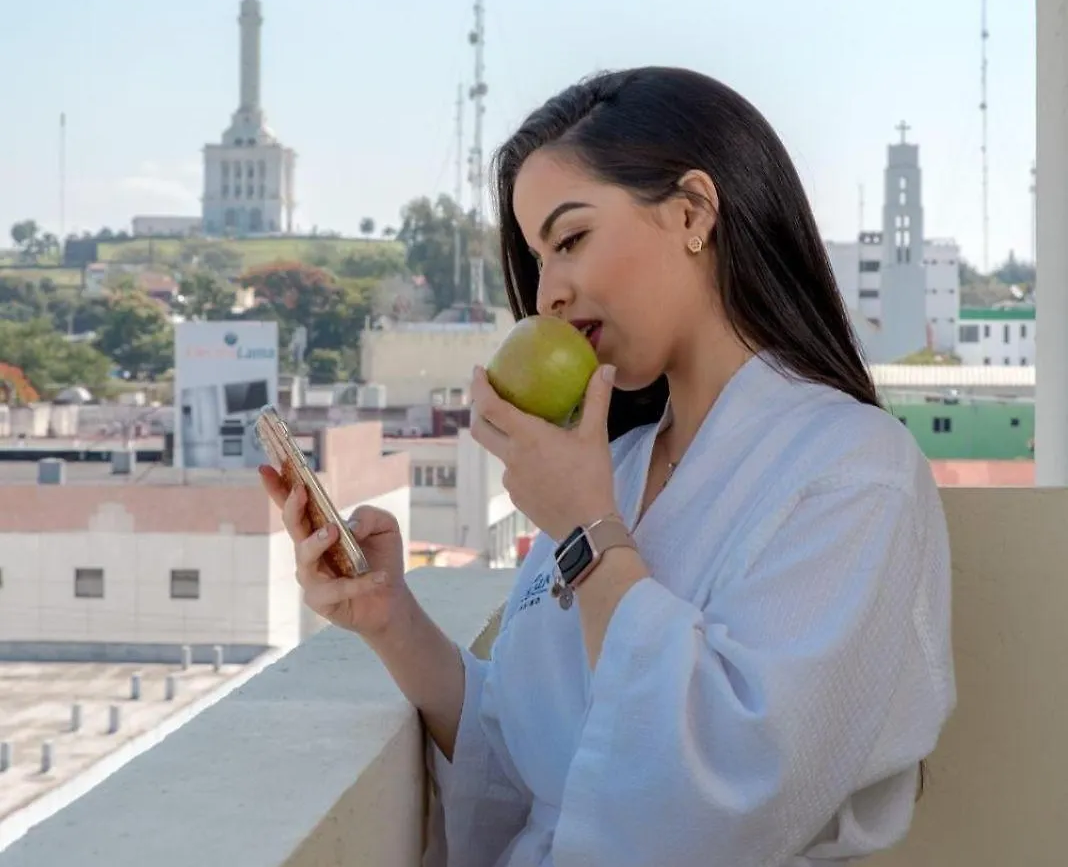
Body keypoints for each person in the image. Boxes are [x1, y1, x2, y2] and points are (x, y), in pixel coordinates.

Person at [262, 67, 956, 867]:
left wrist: (590, 532)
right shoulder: (618, 465)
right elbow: (541, 758)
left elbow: (725, 797)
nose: (549, 293)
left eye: (571, 239)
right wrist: (389, 617)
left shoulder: (855, 471)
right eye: (535, 255)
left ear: (692, 212)